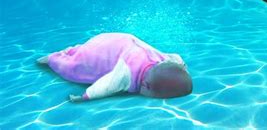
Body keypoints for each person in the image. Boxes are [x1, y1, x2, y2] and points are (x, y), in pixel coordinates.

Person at [37, 33, 192, 102]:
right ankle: (52, 58)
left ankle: (75, 50)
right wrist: (86, 96)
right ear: (146, 86)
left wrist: (182, 69)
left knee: (81, 50)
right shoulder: (126, 72)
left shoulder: (164, 60)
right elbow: (106, 85)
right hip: (101, 49)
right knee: (72, 68)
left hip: (117, 39)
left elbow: (177, 58)